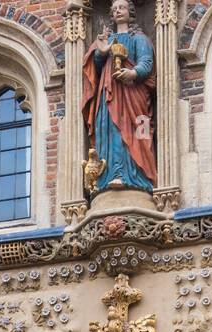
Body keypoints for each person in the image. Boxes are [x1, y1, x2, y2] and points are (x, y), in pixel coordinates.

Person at [82, 0, 157, 194]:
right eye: (114, 9)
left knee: (138, 131)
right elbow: (96, 67)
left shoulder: (138, 38)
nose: (118, 11)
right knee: (109, 130)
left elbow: (146, 63)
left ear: (130, 12)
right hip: (108, 93)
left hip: (133, 94)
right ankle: (109, 176)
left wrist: (133, 73)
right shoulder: (107, 39)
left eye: (121, 7)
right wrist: (102, 50)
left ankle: (137, 176)